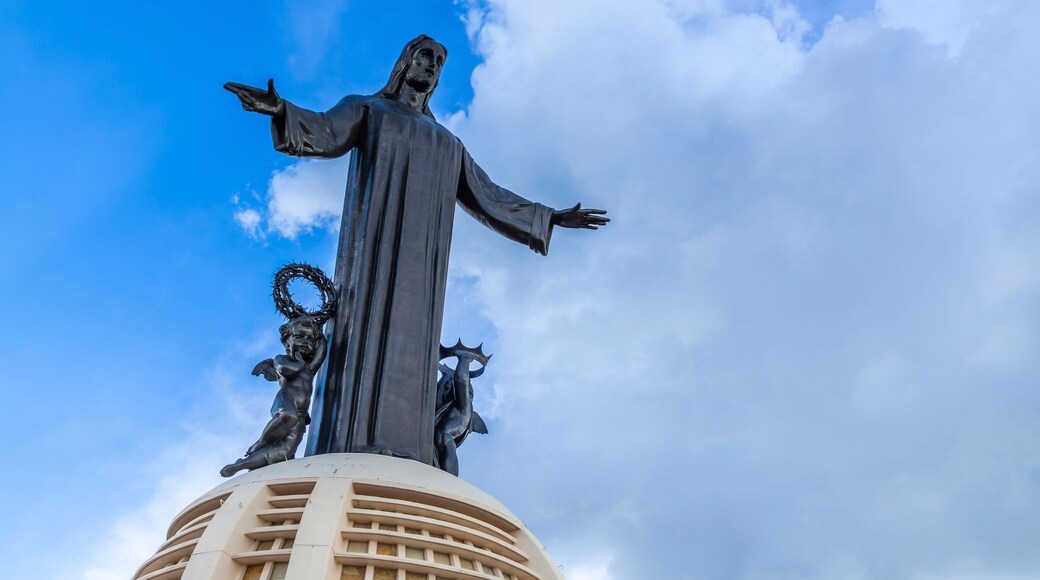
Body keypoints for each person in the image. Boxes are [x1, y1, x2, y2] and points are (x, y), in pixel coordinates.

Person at [225, 35, 608, 465]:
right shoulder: (369, 110)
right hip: (368, 256)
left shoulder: (447, 144)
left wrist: (551, 217)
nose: (430, 66)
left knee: (410, 341)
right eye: (424, 57)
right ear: (405, 63)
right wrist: (281, 110)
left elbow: (489, 196)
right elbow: (325, 131)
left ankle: (409, 449)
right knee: (362, 333)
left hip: (422, 267)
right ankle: (343, 444)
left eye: (439, 62)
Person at [220, 317, 328, 477]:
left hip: (301, 414)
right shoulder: (282, 359)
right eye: (299, 337)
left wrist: (318, 328)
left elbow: (322, 351)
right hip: (286, 400)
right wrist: (299, 363)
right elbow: (284, 369)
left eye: (309, 339)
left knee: (284, 451)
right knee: (287, 416)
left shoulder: (309, 369)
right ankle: (261, 442)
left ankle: (242, 464)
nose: (305, 342)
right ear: (287, 342)